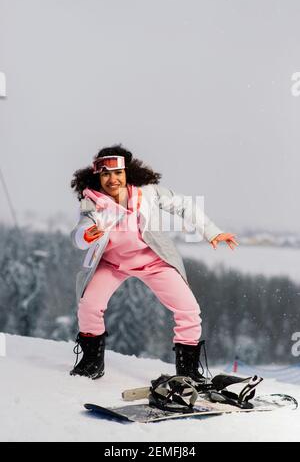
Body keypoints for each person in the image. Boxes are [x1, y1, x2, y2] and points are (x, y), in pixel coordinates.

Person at [69, 145, 238, 380]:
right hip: (111, 264)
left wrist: (211, 232)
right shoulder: (92, 202)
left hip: (153, 261)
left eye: (118, 173)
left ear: (128, 173)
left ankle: (187, 372)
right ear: (98, 176)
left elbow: (184, 206)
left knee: (189, 309)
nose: (112, 179)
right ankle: (91, 364)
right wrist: (86, 235)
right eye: (106, 174)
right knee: (89, 305)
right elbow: (80, 231)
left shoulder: (147, 193)